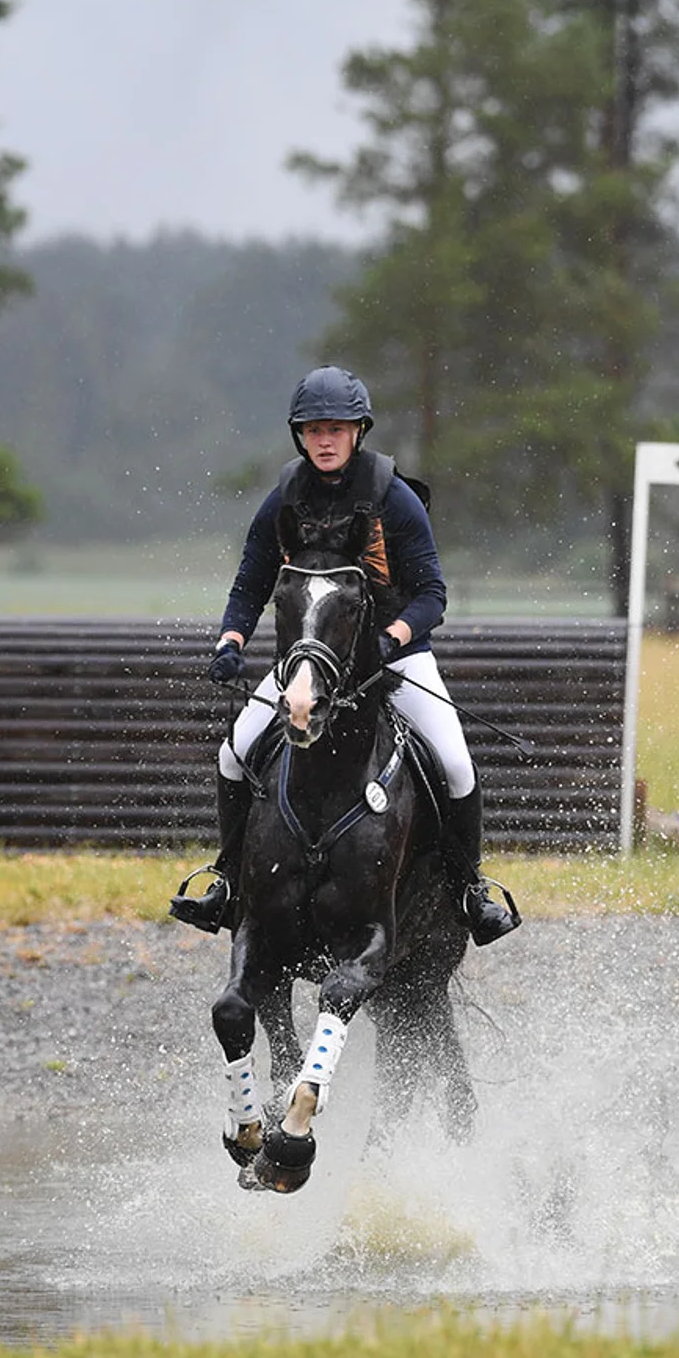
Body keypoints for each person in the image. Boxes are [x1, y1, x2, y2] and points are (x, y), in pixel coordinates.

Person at [170, 365, 520, 947]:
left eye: (336, 428)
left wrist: (393, 638)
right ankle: (227, 883)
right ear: (298, 437)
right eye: (313, 430)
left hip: (397, 657)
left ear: (359, 431)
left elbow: (433, 594)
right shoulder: (283, 499)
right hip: (312, 663)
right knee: (233, 755)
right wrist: (230, 641)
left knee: (456, 766)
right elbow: (250, 585)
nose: (324, 440)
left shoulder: (395, 498)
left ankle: (469, 888)